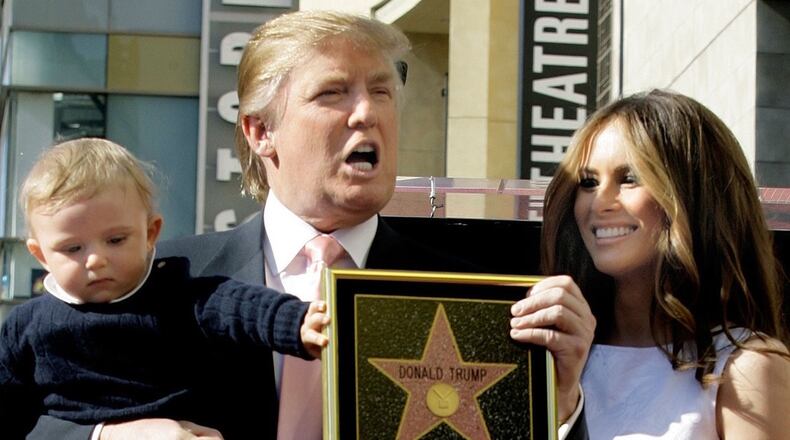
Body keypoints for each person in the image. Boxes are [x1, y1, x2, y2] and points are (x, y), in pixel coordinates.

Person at [28, 10, 592, 440]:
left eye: (380, 91)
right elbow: (30, 417)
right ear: (259, 132)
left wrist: (557, 403)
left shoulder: (471, 295)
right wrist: (106, 436)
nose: (367, 112)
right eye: (333, 92)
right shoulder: (158, 279)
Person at [1, 138, 331, 439]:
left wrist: (298, 321)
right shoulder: (27, 326)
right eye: (73, 249)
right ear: (41, 255)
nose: (95, 260)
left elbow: (242, 306)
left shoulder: (178, 294)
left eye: (115, 240)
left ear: (150, 233)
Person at [511, 89, 790, 439]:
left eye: (629, 178)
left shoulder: (748, 369)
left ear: (693, 196)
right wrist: (561, 404)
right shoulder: (543, 358)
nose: (600, 201)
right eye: (588, 182)